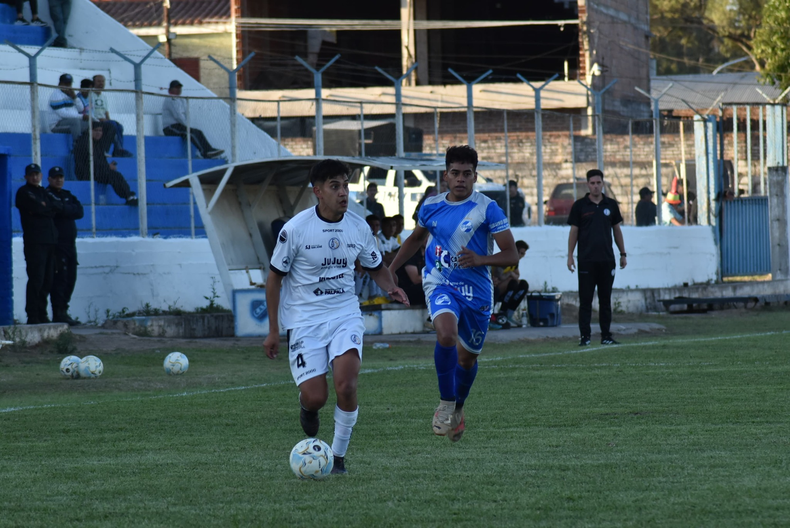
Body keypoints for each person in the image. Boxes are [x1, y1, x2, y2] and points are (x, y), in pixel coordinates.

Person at [263, 159, 408, 475]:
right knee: (316, 396)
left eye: (345, 185)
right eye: (334, 186)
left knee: (346, 383)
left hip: (345, 314)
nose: (343, 192)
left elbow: (375, 266)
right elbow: (274, 279)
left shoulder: (358, 227)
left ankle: (338, 457)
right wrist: (274, 330)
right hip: (304, 321)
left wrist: (391, 287)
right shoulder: (295, 230)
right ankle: (307, 407)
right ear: (317, 192)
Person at [389, 145, 519, 443]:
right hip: (439, 283)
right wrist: (392, 269)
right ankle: (446, 403)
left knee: (467, 361)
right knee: (445, 334)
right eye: (455, 173)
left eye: (467, 174)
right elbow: (415, 239)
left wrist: (481, 260)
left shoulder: (488, 208)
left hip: (477, 293)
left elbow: (511, 253)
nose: (461, 179)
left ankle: (458, 407)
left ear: (475, 177)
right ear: (445, 175)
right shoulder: (431, 206)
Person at [567, 169, 627, 346]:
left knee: (605, 300)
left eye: (598, 183)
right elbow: (574, 232)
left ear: (603, 183)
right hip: (586, 260)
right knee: (585, 300)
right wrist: (570, 256)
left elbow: (617, 230)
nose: (595, 186)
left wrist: (623, 253)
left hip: (607, 260)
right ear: (587, 184)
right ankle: (585, 337)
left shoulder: (611, 205)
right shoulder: (580, 206)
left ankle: (606, 336)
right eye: (592, 183)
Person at [15, 163, 61, 324]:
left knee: (48, 279)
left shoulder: (43, 192)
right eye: (31, 174)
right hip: (35, 242)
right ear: (26, 177)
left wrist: (44, 207)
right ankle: (33, 315)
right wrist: (44, 208)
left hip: (50, 241)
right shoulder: (23, 192)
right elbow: (40, 208)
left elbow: (55, 207)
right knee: (37, 278)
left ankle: (42, 313)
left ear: (41, 176)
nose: (34, 177)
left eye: (37, 174)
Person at [46, 166, 83, 325]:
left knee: (71, 278)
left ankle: (64, 310)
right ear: (49, 179)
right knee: (59, 279)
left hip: (70, 244)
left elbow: (79, 211)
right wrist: (67, 210)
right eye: (55, 177)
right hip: (57, 244)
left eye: (61, 177)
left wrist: (64, 209)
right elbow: (56, 209)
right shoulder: (47, 195)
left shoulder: (68, 195)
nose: (59, 180)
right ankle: (58, 312)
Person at [74, 122, 138, 205]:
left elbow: (100, 161)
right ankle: (129, 197)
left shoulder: (97, 143)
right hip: (86, 173)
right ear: (90, 131)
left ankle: (130, 196)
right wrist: (108, 166)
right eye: (96, 130)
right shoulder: (85, 142)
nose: (98, 133)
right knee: (114, 175)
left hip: (97, 171)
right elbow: (92, 162)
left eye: (100, 131)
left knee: (116, 175)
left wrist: (108, 166)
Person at [161, 80, 224, 159]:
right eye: (176, 88)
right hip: (170, 127)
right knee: (191, 133)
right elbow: (178, 116)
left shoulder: (181, 100)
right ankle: (204, 152)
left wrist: (187, 125)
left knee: (198, 132)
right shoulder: (170, 99)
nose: (178, 90)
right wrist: (187, 125)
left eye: (179, 88)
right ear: (170, 90)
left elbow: (185, 114)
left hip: (179, 125)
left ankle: (209, 150)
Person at [91, 74, 133, 157]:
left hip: (104, 120)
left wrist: (109, 120)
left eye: (103, 81)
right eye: (99, 81)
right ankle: (114, 150)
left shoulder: (104, 97)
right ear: (93, 83)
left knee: (119, 126)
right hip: (95, 120)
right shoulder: (90, 95)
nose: (101, 83)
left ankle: (118, 149)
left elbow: (106, 112)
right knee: (112, 125)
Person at [491, 240, 530, 328]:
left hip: (504, 285)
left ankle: (509, 314)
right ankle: (502, 314)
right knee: (513, 283)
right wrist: (510, 274)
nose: (521, 256)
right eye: (520, 253)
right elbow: (499, 277)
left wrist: (510, 275)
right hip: (495, 286)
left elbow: (517, 275)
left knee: (523, 285)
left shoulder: (515, 261)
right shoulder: (504, 259)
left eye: (523, 254)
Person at [76, 78, 117, 156]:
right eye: (89, 89)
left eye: (91, 89)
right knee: (108, 127)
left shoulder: (90, 98)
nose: (90, 91)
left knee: (112, 126)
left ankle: (104, 150)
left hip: (93, 120)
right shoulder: (78, 98)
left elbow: (92, 112)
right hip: (83, 121)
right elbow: (79, 112)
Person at [49, 73, 89, 144]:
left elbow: (81, 109)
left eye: (69, 83)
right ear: (60, 83)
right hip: (56, 124)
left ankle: (87, 145)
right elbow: (63, 114)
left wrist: (75, 97)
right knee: (75, 122)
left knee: (89, 123)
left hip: (70, 121)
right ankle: (77, 144)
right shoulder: (56, 95)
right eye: (65, 83)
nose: (68, 86)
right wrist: (81, 116)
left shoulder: (70, 94)